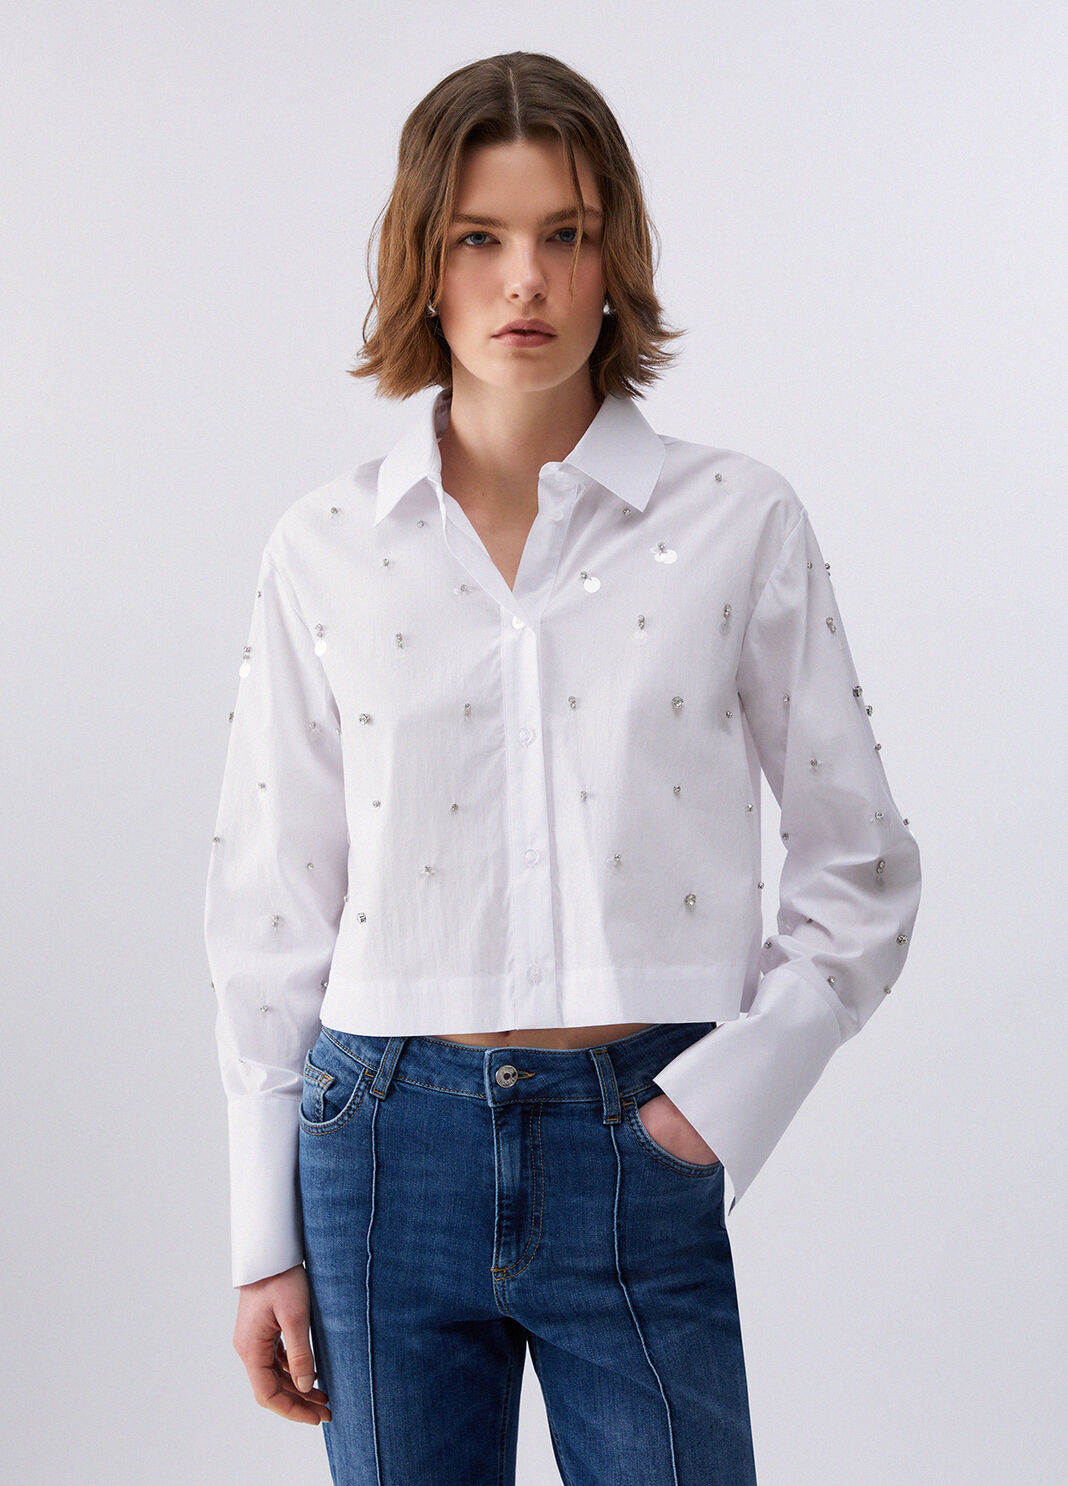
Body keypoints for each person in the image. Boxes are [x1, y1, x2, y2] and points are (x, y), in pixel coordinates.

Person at [204, 51, 921, 1486]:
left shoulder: (737, 522)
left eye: (565, 234)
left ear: (615, 260)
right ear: (424, 264)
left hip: (638, 1141)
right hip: (379, 1149)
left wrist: (723, 1098)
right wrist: (260, 1237)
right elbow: (273, 903)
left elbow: (863, 865)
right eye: (479, 237)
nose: (523, 279)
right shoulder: (325, 549)